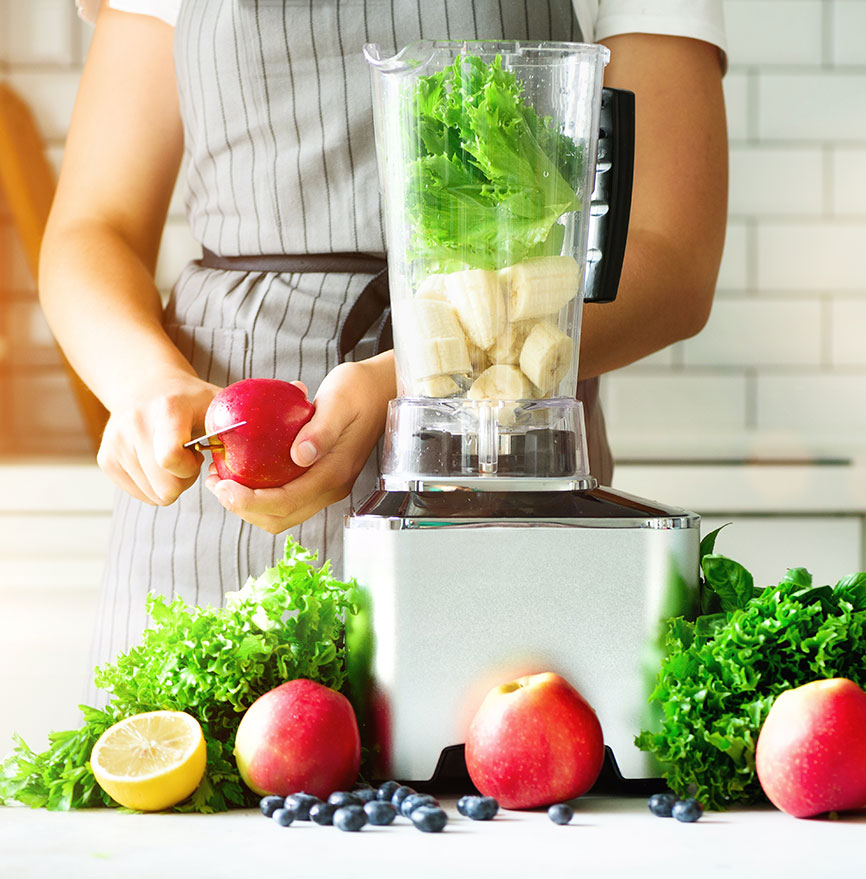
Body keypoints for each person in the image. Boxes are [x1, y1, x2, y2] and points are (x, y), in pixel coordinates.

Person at [42, 0, 728, 677]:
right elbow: (94, 228)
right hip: (212, 508)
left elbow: (670, 259)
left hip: (499, 466)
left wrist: (412, 376)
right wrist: (147, 382)